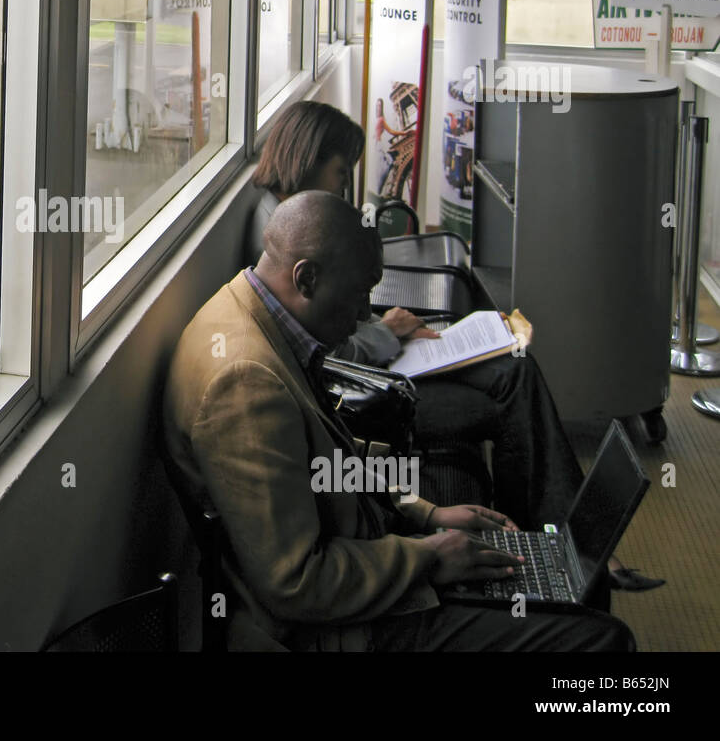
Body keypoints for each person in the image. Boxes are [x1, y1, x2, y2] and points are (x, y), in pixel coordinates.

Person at [163, 191, 635, 650]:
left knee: (565, 590)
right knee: (602, 637)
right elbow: (296, 583)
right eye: (357, 297)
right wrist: (428, 557)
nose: (362, 319)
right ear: (306, 280)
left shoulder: (252, 316)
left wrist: (426, 513)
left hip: (361, 571)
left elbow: (327, 466)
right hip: (333, 627)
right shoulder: (246, 383)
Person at [245, 100, 662, 591]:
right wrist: (387, 333)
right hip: (367, 392)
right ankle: (560, 546)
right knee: (504, 401)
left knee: (515, 368)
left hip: (382, 363)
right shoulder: (276, 232)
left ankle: (565, 541)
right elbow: (328, 356)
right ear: (308, 158)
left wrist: (386, 326)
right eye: (340, 172)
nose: (342, 186)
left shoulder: (286, 216)